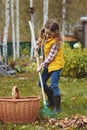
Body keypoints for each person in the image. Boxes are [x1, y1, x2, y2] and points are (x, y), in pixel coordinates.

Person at [34, 19, 65, 113]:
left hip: (56, 65)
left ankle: (57, 107)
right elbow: (37, 43)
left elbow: (50, 57)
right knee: (41, 83)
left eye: (50, 34)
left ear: (55, 33)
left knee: (54, 85)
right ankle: (51, 97)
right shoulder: (44, 34)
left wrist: (41, 66)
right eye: (46, 32)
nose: (47, 35)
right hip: (48, 65)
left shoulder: (56, 41)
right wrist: (35, 50)